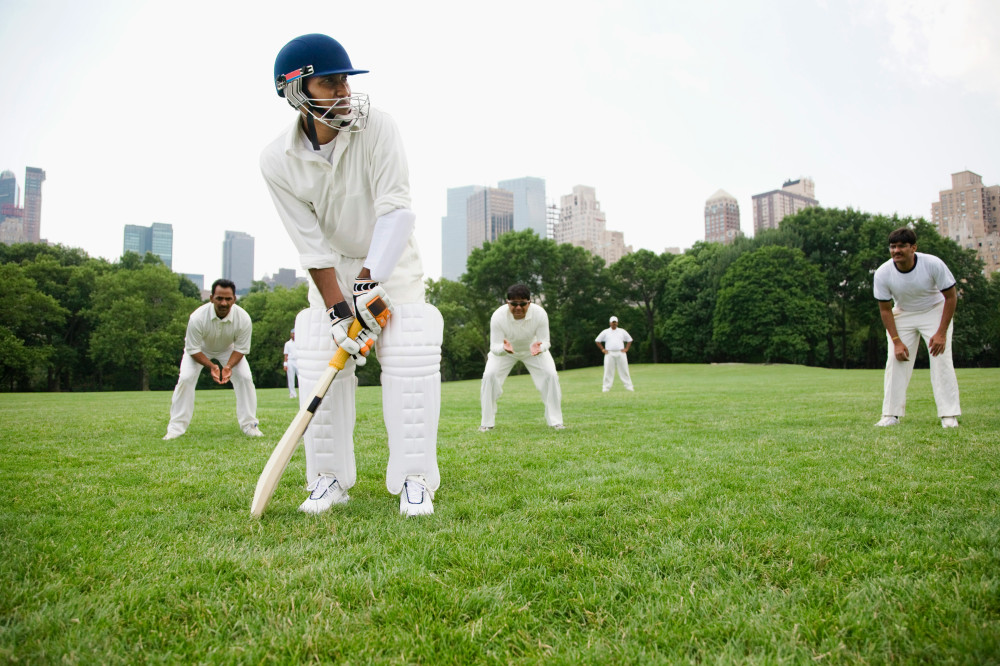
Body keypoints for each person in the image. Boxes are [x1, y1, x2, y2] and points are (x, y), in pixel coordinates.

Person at [260, 34, 443, 517]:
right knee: (317, 351)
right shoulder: (276, 160)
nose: (343, 91)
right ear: (296, 90)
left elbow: (396, 210)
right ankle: (328, 479)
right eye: (330, 82)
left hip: (392, 260)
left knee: (410, 351)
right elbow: (309, 244)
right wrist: (340, 311)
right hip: (333, 272)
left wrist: (367, 284)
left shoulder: (378, 126)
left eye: (345, 79)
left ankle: (415, 480)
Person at [873, 227, 961, 428]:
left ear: (913, 248)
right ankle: (890, 414)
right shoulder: (883, 273)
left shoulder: (933, 264)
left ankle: (948, 415)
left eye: (901, 246)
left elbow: (951, 297)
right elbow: (885, 310)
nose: (896, 251)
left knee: (940, 358)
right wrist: (896, 342)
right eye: (892, 247)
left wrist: (941, 333)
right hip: (903, 312)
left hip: (934, 310)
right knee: (896, 359)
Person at [163, 279, 263, 440]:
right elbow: (192, 349)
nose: (224, 303)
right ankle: (176, 428)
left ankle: (250, 426)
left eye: (228, 299)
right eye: (219, 298)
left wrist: (228, 366)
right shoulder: (197, 317)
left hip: (229, 349)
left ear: (234, 299)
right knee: (186, 378)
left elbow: (241, 349)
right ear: (211, 298)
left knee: (245, 377)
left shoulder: (243, 318)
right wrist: (212, 366)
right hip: (200, 349)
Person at [480, 284, 564, 432]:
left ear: (529, 302)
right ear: (508, 302)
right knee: (489, 376)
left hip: (533, 350)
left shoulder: (540, 314)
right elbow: (494, 346)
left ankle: (556, 421)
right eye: (514, 304)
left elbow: (545, 341)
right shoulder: (498, 316)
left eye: (523, 304)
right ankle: (486, 423)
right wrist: (504, 349)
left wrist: (540, 348)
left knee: (551, 375)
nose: (518, 308)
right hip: (505, 351)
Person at [595, 316, 634, 392]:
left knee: (624, 370)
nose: (614, 324)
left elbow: (629, 340)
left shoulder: (622, 331)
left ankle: (629, 387)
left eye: (615, 322)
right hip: (609, 353)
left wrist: (626, 349)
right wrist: (602, 349)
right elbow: (597, 340)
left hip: (620, 352)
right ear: (610, 323)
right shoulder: (606, 332)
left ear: (617, 323)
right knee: (608, 371)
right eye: (613, 322)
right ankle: (606, 388)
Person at [283, 328, 298, 399]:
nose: (293, 335)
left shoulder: (299, 343)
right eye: (292, 333)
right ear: (290, 334)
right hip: (290, 361)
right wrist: (285, 364)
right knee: (291, 378)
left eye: (295, 333)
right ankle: (292, 393)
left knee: (300, 377)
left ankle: (302, 393)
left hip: (298, 361)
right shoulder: (287, 344)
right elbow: (286, 354)